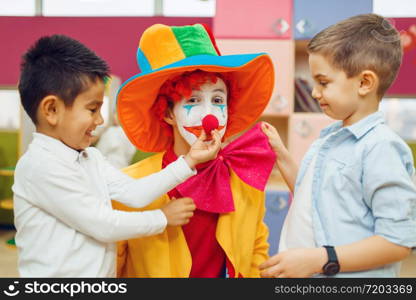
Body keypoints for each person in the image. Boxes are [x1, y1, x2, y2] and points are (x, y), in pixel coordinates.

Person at [13, 34, 222, 277]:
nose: (100, 120)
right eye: (92, 109)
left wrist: (189, 161)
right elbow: (103, 225)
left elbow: (134, 193)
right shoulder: (40, 166)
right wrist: (162, 217)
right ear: (51, 110)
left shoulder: (90, 157)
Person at [112, 23, 276, 277]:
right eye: (193, 100)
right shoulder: (131, 185)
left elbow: (256, 248)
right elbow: (114, 266)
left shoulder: (244, 175)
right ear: (167, 113)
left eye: (218, 100)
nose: (209, 115)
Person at [259, 14, 416, 278]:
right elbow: (315, 198)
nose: (313, 92)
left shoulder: (381, 148)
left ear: (365, 83)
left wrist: (321, 259)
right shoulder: (328, 138)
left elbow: (397, 242)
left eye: (323, 82)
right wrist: (282, 156)